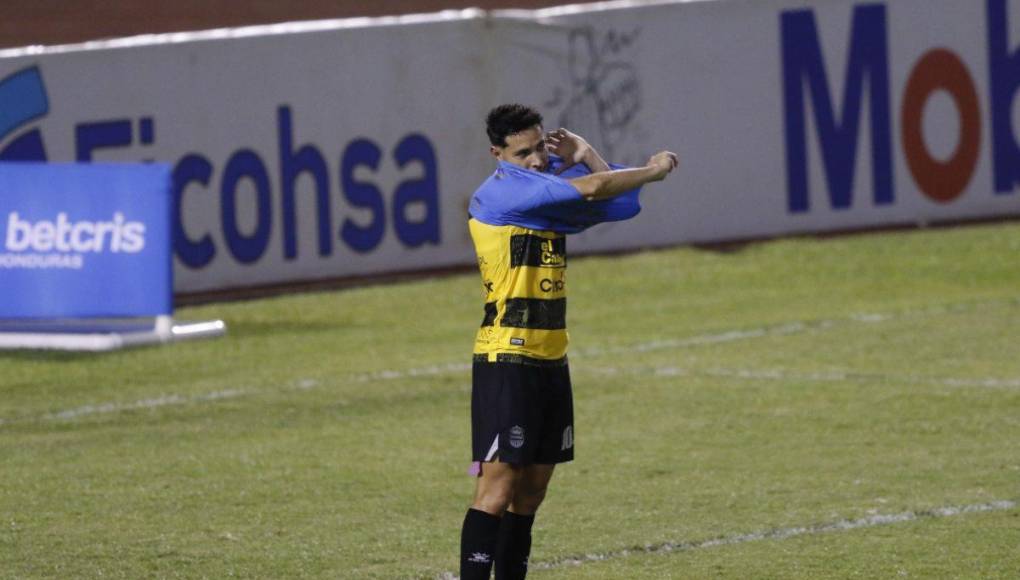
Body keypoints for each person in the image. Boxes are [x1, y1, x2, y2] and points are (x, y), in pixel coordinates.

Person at [459, 103, 679, 579]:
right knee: (497, 490)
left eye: (540, 147)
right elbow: (600, 188)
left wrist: (589, 152)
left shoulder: (545, 195)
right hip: (506, 358)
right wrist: (655, 169)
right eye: (523, 153)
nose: (538, 159)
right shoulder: (503, 194)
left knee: (533, 489)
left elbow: (620, 204)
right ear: (497, 154)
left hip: (550, 358)